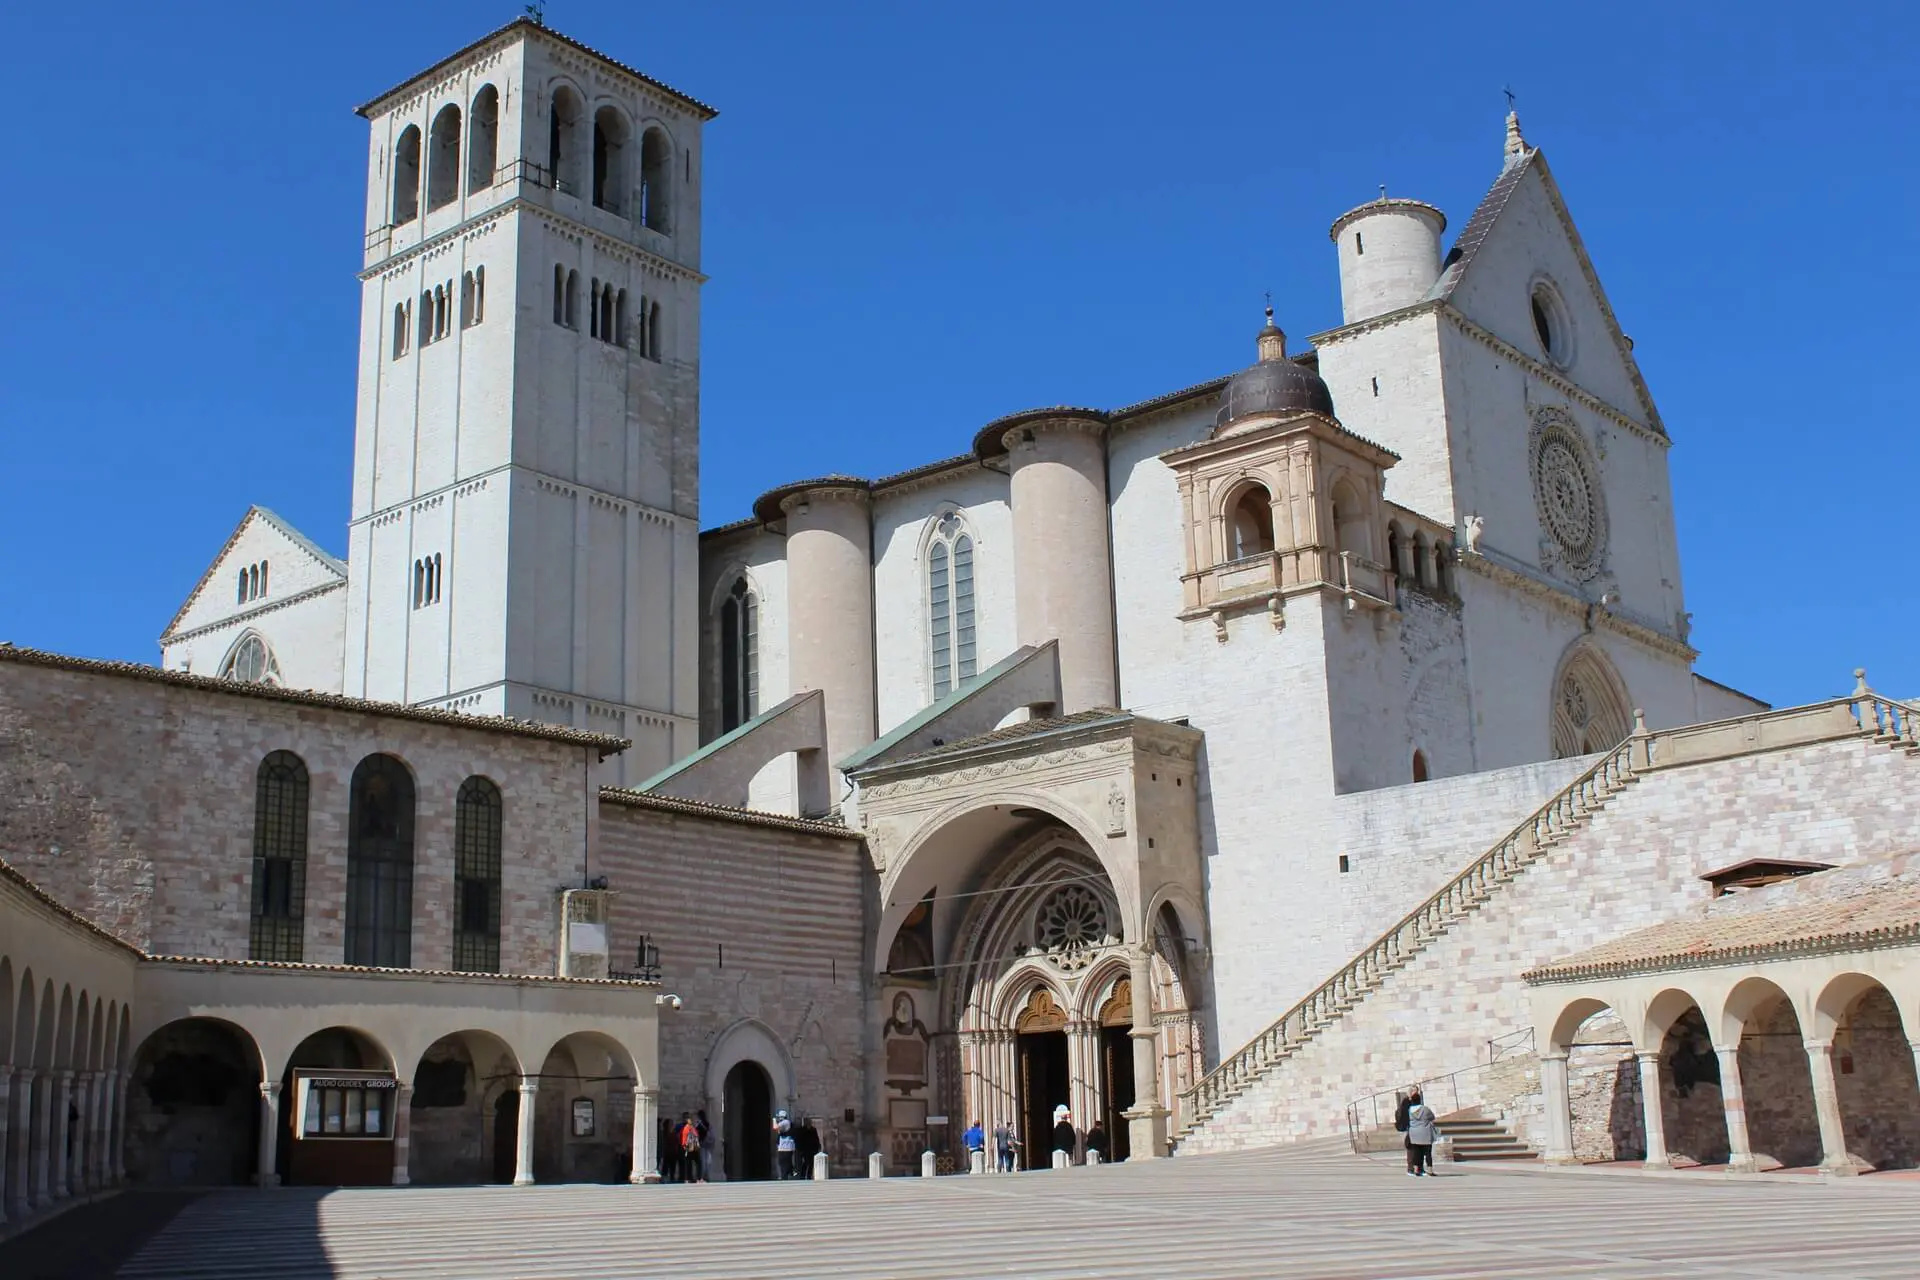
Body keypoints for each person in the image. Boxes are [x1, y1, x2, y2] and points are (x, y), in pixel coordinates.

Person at [1404, 1088, 1438, 1176]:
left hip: (1414, 1133)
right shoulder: (1425, 1109)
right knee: (1427, 1153)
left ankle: (1416, 1170)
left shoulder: (1409, 1111)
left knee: (1416, 1152)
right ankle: (1430, 1170)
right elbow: (1432, 1117)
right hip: (1425, 1133)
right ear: (1420, 1100)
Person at [678, 1112, 703, 1184]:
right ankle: (689, 1179)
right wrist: (684, 1146)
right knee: (690, 1164)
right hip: (689, 1148)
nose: (693, 1121)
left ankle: (694, 1178)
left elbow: (696, 1137)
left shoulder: (692, 1128)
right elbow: (684, 1138)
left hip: (694, 1148)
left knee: (696, 1163)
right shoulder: (687, 1128)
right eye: (690, 1119)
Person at [773, 1108, 797, 1180]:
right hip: (785, 1146)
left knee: (784, 1162)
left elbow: (775, 1127)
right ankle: (790, 1172)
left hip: (785, 1147)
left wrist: (774, 1120)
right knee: (784, 1162)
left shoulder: (785, 1122)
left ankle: (788, 1174)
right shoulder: (785, 1123)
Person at [695, 1109, 713, 1184]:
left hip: (703, 1143)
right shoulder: (706, 1123)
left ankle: (704, 1177)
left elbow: (703, 1131)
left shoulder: (702, 1124)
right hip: (706, 1144)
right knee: (706, 1161)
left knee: (704, 1161)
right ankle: (705, 1177)